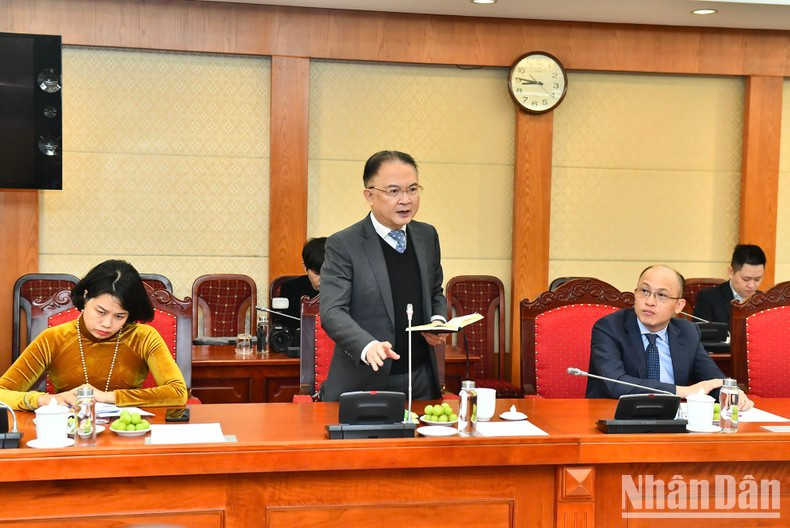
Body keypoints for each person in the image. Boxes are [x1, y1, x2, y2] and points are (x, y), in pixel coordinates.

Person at [319, 150, 447, 401]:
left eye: (412, 189)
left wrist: (439, 321)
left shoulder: (427, 236)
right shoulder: (344, 244)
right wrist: (368, 346)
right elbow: (332, 311)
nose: (405, 200)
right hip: (365, 378)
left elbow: (435, 291)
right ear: (369, 195)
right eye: (393, 191)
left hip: (421, 377)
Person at [0, 260, 188, 411]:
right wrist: (44, 399)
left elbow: (177, 393)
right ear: (86, 296)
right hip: (69, 433)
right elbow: (2, 392)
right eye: (100, 311)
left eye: (119, 316)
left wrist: (107, 397)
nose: (107, 324)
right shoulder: (53, 338)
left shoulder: (144, 337)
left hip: (128, 432)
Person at [586, 265, 752, 410]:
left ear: (678, 306)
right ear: (635, 294)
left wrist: (730, 392)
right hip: (614, 419)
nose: (650, 301)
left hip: (673, 421)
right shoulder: (610, 327)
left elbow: (712, 379)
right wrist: (681, 391)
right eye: (644, 291)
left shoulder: (687, 332)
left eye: (661, 295)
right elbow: (615, 384)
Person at [694, 244, 766, 327]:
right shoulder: (708, 298)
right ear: (731, 272)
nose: (751, 285)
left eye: (757, 279)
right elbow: (703, 336)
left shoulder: (765, 300)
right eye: (746, 279)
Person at [277, 237, 326, 335]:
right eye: (317, 273)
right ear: (304, 267)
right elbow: (285, 332)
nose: (323, 279)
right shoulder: (290, 289)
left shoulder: (346, 288)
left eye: (328, 272)